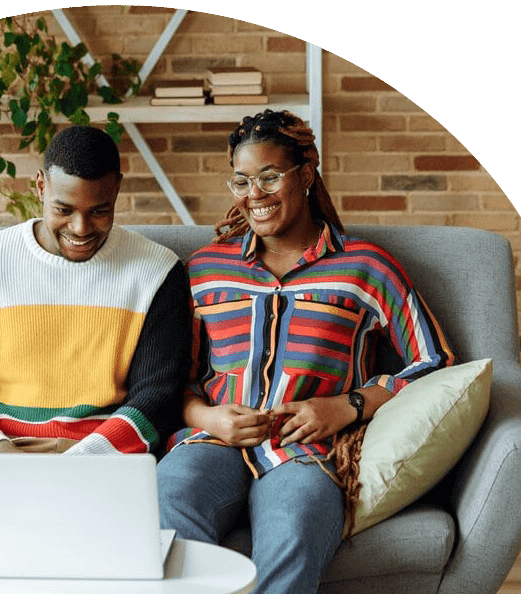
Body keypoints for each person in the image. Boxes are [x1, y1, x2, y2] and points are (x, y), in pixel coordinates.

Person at [156, 109, 455, 593]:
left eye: (270, 177)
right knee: (165, 506)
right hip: (214, 442)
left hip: (308, 452)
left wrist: (348, 405)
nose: (255, 194)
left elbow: (436, 363)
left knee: (294, 529)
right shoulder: (205, 269)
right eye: (241, 180)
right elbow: (172, 380)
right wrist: (208, 418)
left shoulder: (366, 267)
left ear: (307, 173)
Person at [0, 125, 192, 542]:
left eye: (100, 210)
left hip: (105, 454)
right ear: (40, 186)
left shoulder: (157, 271)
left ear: (117, 190)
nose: (81, 228)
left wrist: (81, 463)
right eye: (64, 209)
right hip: (1, 451)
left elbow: (159, 398)